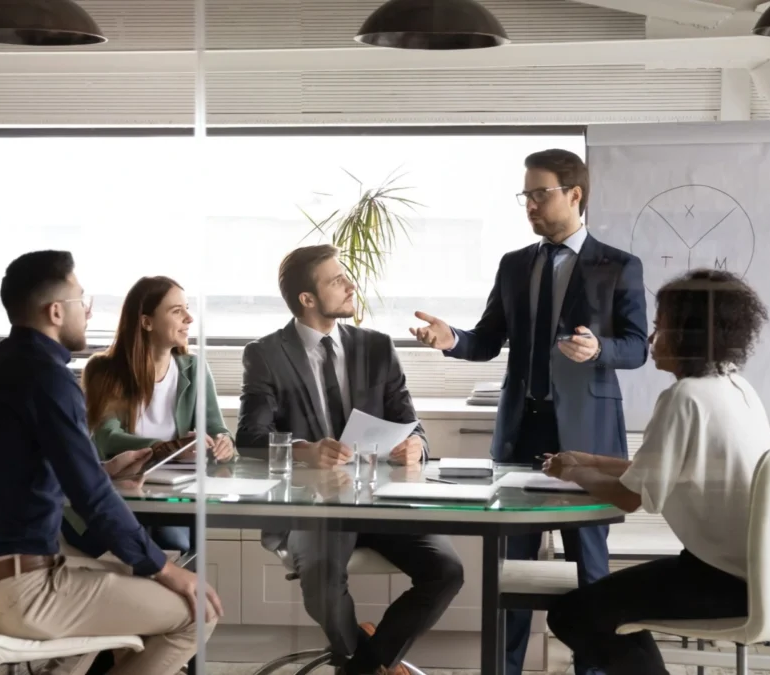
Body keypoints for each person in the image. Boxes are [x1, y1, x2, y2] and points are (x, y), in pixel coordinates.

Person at [410, 149, 648, 675]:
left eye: (541, 193)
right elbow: (489, 340)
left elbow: (637, 347)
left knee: (591, 571)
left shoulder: (619, 265)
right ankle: (505, 669)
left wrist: (600, 350)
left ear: (575, 194)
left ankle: (592, 670)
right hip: (521, 433)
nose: (531, 205)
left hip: (587, 439)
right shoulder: (515, 264)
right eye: (526, 195)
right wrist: (452, 340)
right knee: (508, 572)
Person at [0, 250, 222, 675]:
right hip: (28, 590)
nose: (90, 310)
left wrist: (108, 471)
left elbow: (34, 473)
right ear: (56, 311)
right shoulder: (48, 378)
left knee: (127, 577)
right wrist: (167, 570)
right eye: (81, 300)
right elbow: (91, 499)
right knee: (197, 609)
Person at [237, 244, 464, 675]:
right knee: (322, 579)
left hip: (382, 504)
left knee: (446, 570)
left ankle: (361, 666)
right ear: (307, 299)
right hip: (312, 510)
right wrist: (303, 450)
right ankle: (369, 660)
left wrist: (415, 445)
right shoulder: (265, 354)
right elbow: (249, 439)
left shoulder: (376, 348)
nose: (350, 285)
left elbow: (410, 423)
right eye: (337, 280)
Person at [540, 269, 770, 675]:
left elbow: (632, 497)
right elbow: (664, 470)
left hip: (722, 579)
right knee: (610, 610)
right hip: (757, 571)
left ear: (689, 333)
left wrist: (570, 473)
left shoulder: (684, 397)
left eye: (658, 328)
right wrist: (589, 462)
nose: (651, 340)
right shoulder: (736, 388)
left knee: (574, 614)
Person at [69, 275, 237, 556]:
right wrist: (173, 448)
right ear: (146, 322)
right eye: (177, 311)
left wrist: (223, 442)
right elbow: (107, 438)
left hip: (176, 492)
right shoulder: (104, 369)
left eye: (187, 308)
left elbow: (216, 428)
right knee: (149, 543)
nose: (189, 319)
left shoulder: (194, 368)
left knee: (173, 544)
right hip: (120, 492)